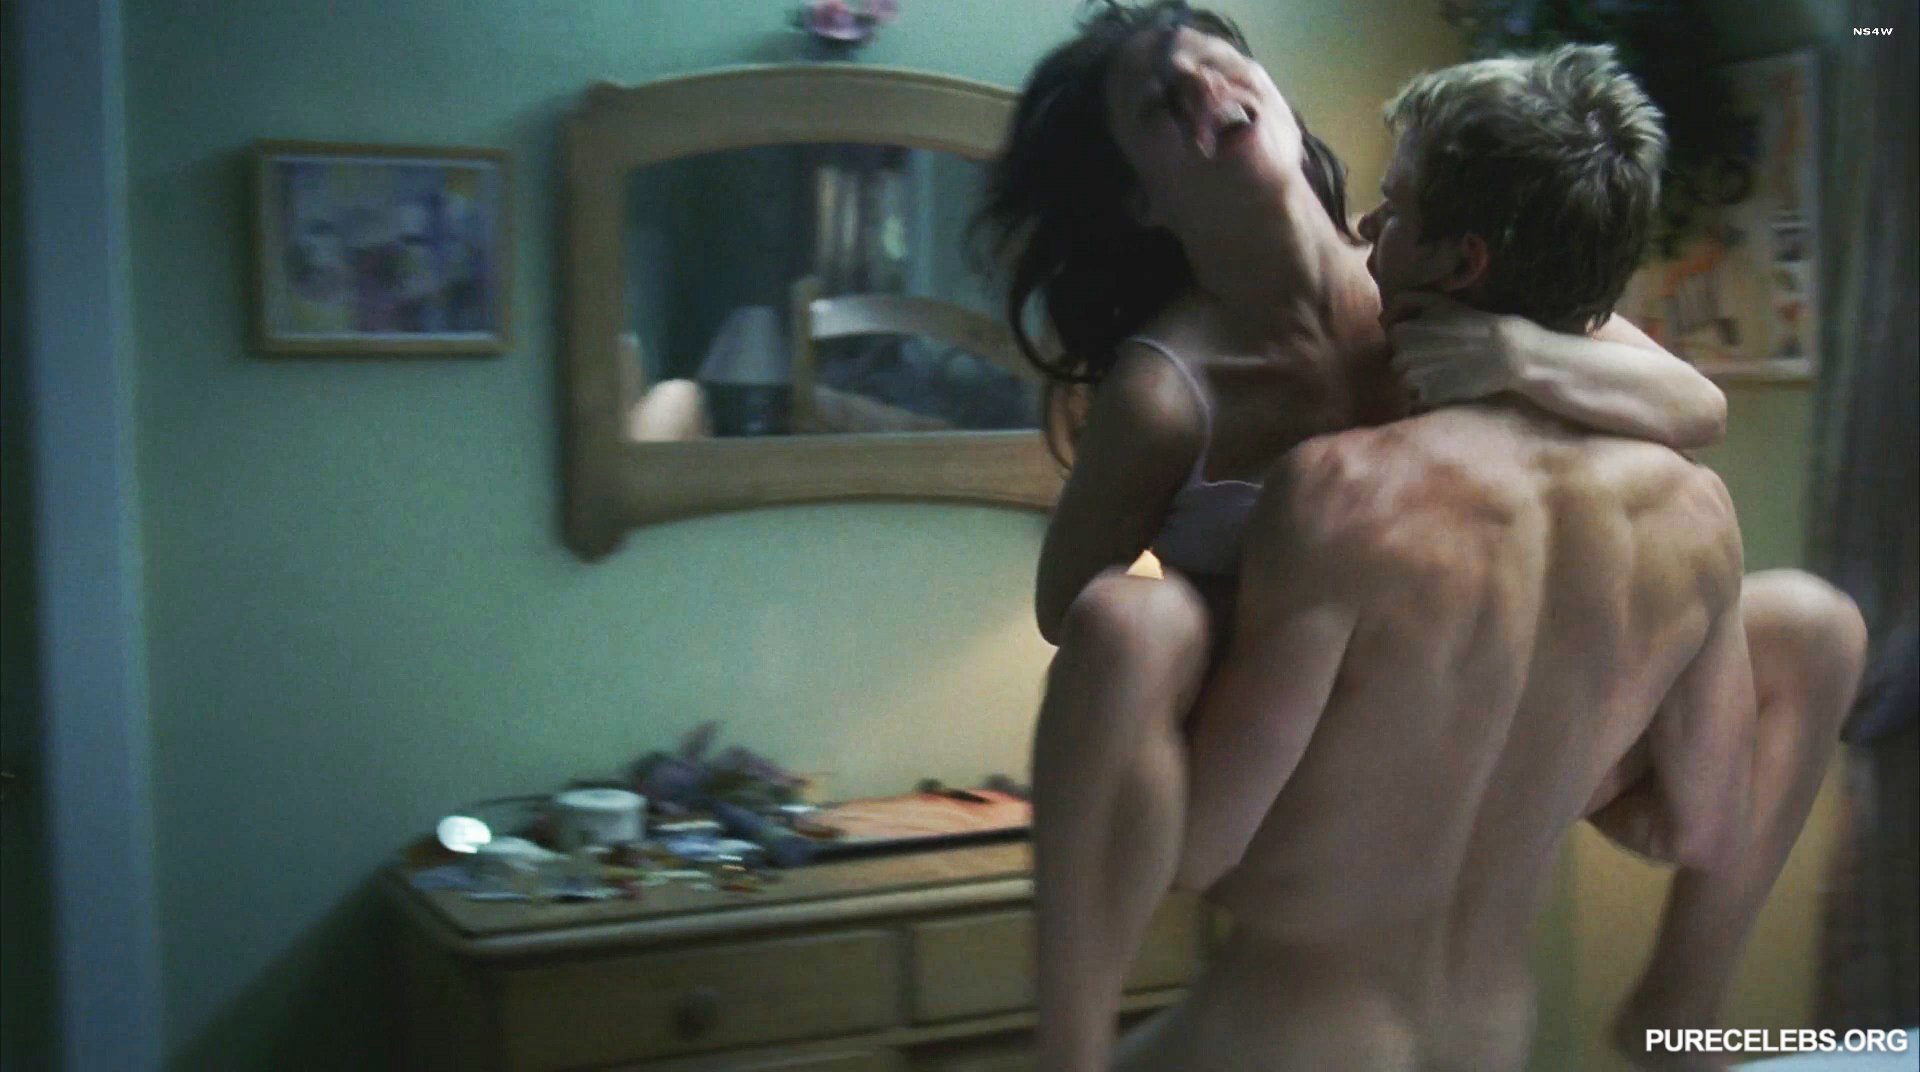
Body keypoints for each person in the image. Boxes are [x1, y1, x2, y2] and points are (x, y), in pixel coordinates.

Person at [973, 5, 1867, 1070]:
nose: (1205, 89)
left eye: (1216, 62)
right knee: (1130, 623)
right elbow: (1069, 611)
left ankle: (1686, 1008)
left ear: (1279, 102)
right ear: (1140, 196)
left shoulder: (1440, 282)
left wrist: (1517, 356)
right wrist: (1220, 618)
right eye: (1165, 102)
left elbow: (1694, 404)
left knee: (1817, 627)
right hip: (1302, 731)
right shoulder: (1169, 389)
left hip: (1468, 695)